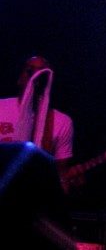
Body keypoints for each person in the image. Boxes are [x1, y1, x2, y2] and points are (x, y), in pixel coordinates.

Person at [0, 54, 74, 189]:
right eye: (30, 71)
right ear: (20, 78)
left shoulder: (61, 122)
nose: (36, 76)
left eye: (42, 73)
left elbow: (61, 174)